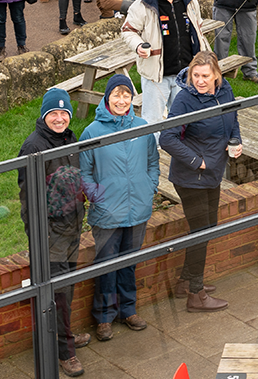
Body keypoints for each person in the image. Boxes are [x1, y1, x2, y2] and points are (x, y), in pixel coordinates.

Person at [16, 88, 91, 377]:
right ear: (44, 115)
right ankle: (65, 352)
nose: (60, 119)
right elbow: (28, 199)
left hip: (71, 228)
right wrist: (40, 236)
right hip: (50, 234)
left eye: (64, 113)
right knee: (57, 294)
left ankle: (65, 336)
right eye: (53, 113)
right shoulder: (33, 148)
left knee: (67, 289)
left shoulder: (69, 138)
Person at [79, 75, 157, 341]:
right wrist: (98, 197)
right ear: (107, 97)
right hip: (107, 214)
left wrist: (149, 188)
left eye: (127, 95)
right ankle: (103, 318)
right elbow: (84, 172)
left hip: (138, 209)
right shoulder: (92, 132)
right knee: (106, 266)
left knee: (129, 264)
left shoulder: (142, 126)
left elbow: (153, 162)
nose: (122, 100)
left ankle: (128, 310)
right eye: (117, 95)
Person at [160, 52, 240, 311]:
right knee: (201, 231)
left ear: (217, 75)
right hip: (191, 176)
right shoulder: (184, 99)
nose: (200, 81)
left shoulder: (225, 91)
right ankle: (196, 294)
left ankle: (185, 281)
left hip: (213, 173)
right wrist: (197, 161)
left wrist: (235, 141)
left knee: (208, 226)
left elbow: (232, 118)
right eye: (196, 76)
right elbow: (167, 138)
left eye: (205, 76)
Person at [121, 0, 211, 122]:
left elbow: (198, 29)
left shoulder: (189, 1)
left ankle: (180, 147)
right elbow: (128, 31)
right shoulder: (142, 5)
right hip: (156, 75)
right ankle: (151, 147)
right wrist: (138, 46)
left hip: (186, 73)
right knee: (152, 120)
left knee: (184, 118)